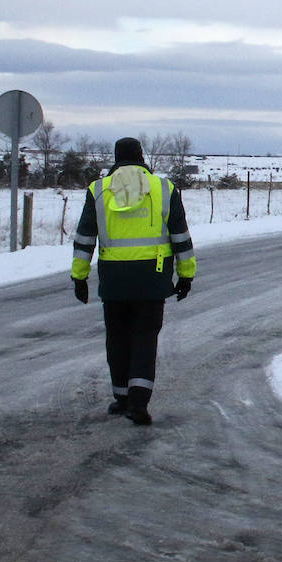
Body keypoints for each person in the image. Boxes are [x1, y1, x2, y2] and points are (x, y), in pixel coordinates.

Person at [70, 137, 196, 425]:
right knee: (144, 336)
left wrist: (79, 276)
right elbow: (180, 237)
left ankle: (122, 397)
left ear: (116, 158)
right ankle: (138, 402)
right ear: (141, 156)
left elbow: (85, 237)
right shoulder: (164, 189)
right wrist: (186, 275)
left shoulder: (99, 190)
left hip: (114, 280)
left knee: (117, 337)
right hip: (152, 278)